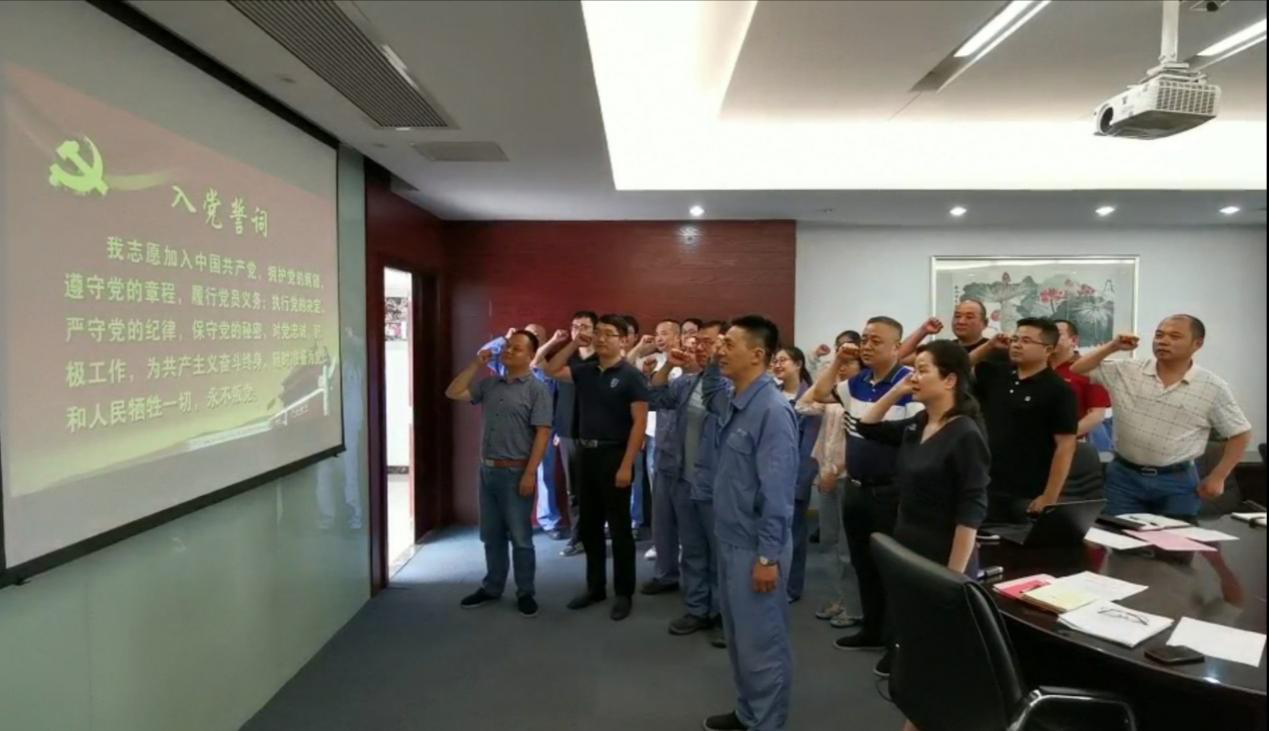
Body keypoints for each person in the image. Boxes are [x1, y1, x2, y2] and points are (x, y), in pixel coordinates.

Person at [856, 340, 990, 731]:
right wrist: (898, 389)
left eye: (923, 370)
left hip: (943, 556)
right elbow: (866, 425)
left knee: (940, 657)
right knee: (915, 649)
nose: (914, 377)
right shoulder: (918, 424)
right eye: (913, 369)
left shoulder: (965, 433)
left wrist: (954, 579)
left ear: (950, 380)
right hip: (908, 548)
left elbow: (971, 512)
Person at [700, 315, 799, 731]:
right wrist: (710, 359)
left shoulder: (772, 411)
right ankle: (748, 713)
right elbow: (708, 395)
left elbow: (777, 493)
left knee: (763, 644)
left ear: (757, 354)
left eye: (729, 344)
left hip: (757, 547)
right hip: (730, 537)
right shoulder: (734, 397)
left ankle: (766, 723)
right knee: (740, 640)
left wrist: (767, 557)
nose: (720, 349)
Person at [809, 317, 920, 677]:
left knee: (892, 570)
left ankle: (896, 644)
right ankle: (871, 629)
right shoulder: (858, 381)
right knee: (863, 564)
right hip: (856, 487)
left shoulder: (909, 382)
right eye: (865, 339)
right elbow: (820, 394)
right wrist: (839, 362)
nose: (867, 346)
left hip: (892, 491)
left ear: (896, 346)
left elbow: (911, 435)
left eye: (876, 341)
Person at [1070, 315, 1252, 517]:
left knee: (1176, 536)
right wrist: (1113, 346)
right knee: (1119, 533)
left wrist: (1219, 476)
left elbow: (1240, 434)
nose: (1163, 341)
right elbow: (1078, 368)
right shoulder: (1127, 370)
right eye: (1159, 335)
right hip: (1124, 477)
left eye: (1175, 336)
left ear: (1197, 344)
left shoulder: (1212, 387)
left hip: (1177, 481)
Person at [545, 315, 649, 621]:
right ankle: (595, 587)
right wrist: (572, 344)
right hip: (585, 454)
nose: (601, 338)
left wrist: (627, 465)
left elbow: (639, 422)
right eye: (598, 333)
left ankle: (624, 593)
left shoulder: (631, 375)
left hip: (615, 455)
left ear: (624, 340)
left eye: (609, 334)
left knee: (619, 529)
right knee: (589, 526)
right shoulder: (585, 370)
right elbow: (550, 370)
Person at [444, 331, 553, 617]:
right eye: (507, 347)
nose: (508, 352)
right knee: (491, 535)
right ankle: (492, 587)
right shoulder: (490, 384)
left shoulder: (537, 389)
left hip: (516, 471)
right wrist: (475, 364)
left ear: (531, 356)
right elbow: (453, 392)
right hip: (487, 470)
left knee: (520, 537)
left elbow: (542, 434)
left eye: (517, 349)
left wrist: (530, 473)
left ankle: (525, 592)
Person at [970, 318, 1077, 523]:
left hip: (1025, 490)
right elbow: (955, 370)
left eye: (1026, 341)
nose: (1017, 345)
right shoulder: (997, 373)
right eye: (1015, 339)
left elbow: (1065, 446)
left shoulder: (1059, 390)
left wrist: (1050, 496)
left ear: (1048, 350)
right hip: (984, 482)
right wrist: (989, 346)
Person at [795, 342, 862, 629]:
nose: (844, 368)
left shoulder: (863, 397)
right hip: (825, 475)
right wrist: (834, 367)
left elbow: (858, 442)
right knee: (828, 542)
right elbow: (803, 404)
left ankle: (854, 607)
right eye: (841, 363)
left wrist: (836, 470)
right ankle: (840, 598)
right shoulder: (834, 396)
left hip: (847, 478)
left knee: (847, 548)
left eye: (850, 363)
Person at [534, 312, 598, 555]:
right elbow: (537, 364)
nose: (579, 330)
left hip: (598, 431)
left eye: (585, 326)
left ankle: (596, 536)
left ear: (595, 330)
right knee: (575, 490)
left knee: (597, 488)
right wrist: (555, 341)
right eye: (575, 326)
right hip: (568, 431)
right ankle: (578, 538)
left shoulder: (602, 358)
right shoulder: (564, 358)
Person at [630, 319, 684, 567]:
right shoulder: (652, 360)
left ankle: (682, 543)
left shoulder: (684, 361)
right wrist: (641, 349)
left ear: (677, 336)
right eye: (657, 333)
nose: (660, 338)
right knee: (658, 494)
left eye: (665, 333)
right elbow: (628, 368)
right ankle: (661, 543)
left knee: (681, 494)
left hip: (681, 437)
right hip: (655, 436)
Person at [771, 346, 818, 604]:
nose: (778, 365)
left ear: (798, 364)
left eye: (783, 360)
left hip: (794, 478)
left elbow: (809, 447)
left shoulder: (810, 397)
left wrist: (800, 484)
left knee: (795, 535)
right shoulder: (771, 393)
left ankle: (791, 587)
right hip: (770, 475)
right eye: (775, 361)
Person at [1050, 319, 1111, 438]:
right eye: (1048, 334)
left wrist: (1065, 437)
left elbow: (1096, 415)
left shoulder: (1089, 369)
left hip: (1071, 440)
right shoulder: (1036, 366)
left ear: (1073, 340)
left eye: (1057, 334)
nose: (1051, 338)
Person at [897, 299, 1002, 364]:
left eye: (969, 317)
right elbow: (899, 359)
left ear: (985, 323)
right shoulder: (945, 349)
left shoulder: (993, 349)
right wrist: (923, 330)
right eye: (957, 316)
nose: (961, 321)